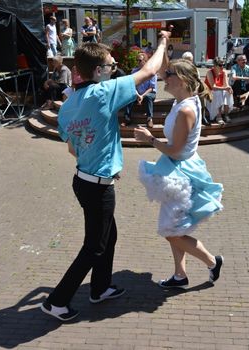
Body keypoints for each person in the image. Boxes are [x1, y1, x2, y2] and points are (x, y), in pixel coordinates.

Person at [40, 30, 172, 322]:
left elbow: (73, 149)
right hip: (97, 187)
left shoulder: (69, 104)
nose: (114, 71)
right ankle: (56, 301)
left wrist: (104, 160)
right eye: (111, 67)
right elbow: (150, 69)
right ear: (98, 71)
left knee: (108, 237)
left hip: (85, 180)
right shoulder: (105, 91)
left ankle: (100, 288)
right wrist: (162, 41)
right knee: (94, 246)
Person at [133, 59, 224, 290]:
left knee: (171, 232)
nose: (165, 76)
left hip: (180, 173)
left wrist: (150, 139)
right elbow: (162, 68)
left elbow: (176, 151)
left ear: (182, 81)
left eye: (170, 74)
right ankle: (180, 275)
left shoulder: (185, 109)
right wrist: (163, 41)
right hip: (176, 168)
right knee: (176, 228)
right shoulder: (184, 100)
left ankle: (212, 262)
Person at [121, 53, 157, 128]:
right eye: (137, 60)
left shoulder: (151, 72)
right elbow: (133, 85)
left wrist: (142, 96)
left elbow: (151, 88)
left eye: (139, 60)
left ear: (145, 61)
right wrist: (137, 95)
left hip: (149, 93)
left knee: (148, 97)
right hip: (137, 93)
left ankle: (149, 119)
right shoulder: (134, 71)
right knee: (128, 98)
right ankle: (127, 119)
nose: (137, 62)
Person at [205, 57, 234, 124]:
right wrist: (225, 88)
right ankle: (219, 116)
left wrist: (229, 88)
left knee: (227, 92)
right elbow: (213, 87)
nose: (222, 67)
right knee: (218, 92)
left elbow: (225, 84)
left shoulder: (224, 72)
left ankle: (226, 115)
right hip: (210, 93)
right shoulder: (209, 72)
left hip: (220, 91)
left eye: (223, 65)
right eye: (220, 65)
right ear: (215, 65)